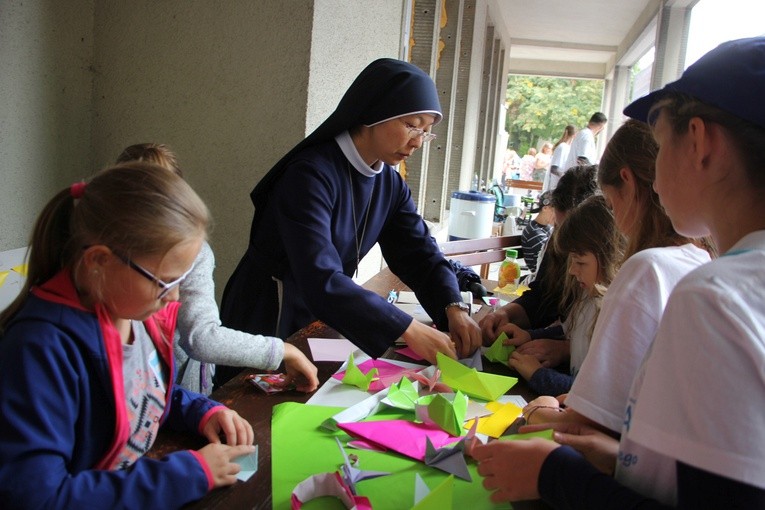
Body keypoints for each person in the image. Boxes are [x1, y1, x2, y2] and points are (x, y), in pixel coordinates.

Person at [469, 37, 765, 508]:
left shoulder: (715, 294)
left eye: (661, 143)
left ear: (701, 142)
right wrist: (625, 458)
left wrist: (556, 474)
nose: (656, 165)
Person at [0, 163, 256, 508]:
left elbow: (138, 388)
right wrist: (183, 475)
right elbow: (39, 497)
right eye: (165, 281)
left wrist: (200, 410)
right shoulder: (39, 350)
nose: (175, 298)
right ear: (99, 261)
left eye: (181, 280)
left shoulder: (130, 309)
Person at [219, 58, 482, 385]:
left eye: (426, 133)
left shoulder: (389, 182)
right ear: (375, 113)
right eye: (413, 125)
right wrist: (406, 328)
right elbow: (320, 275)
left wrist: (452, 304)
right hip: (271, 312)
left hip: (325, 309)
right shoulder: (310, 174)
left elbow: (419, 254)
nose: (417, 141)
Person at [523, 120, 712, 430]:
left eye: (611, 203)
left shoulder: (646, 268)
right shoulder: (701, 258)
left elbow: (590, 422)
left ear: (627, 181)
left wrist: (537, 410)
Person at [115, 143, 319, 395]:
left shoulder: (189, 250)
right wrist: (281, 351)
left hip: (175, 397)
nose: (173, 297)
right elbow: (201, 338)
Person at [508, 195, 623, 396]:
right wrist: (529, 336)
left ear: (609, 257)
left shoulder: (616, 315)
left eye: (580, 263)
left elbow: (591, 396)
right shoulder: (587, 296)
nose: (571, 271)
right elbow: (569, 330)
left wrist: (538, 374)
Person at [479, 164, 598, 339]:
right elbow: (542, 295)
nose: (561, 239)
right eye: (557, 227)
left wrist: (561, 348)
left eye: (570, 233)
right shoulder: (558, 243)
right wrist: (504, 314)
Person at [520, 190, 554, 275]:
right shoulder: (535, 233)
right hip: (542, 278)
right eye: (555, 210)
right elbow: (547, 263)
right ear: (545, 208)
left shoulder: (547, 228)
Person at [547, 124, 576, 189]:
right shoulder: (562, 147)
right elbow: (554, 168)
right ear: (574, 136)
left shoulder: (568, 148)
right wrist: (565, 177)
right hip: (556, 185)